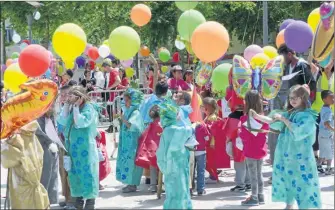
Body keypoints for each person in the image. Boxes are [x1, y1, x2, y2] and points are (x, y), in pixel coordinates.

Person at [250, 85, 321, 209]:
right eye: (291, 98)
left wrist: (283, 119)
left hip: (301, 158)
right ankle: (289, 205)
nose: (293, 100)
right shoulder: (289, 113)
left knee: (303, 182)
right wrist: (257, 116)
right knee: (288, 179)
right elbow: (272, 121)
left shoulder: (307, 116)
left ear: (303, 98)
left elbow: (299, 131)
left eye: (296, 98)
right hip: (287, 155)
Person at [267, 44, 317, 182]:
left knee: (297, 143)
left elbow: (312, 84)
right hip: (289, 108)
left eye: (283, 56)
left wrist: (303, 89)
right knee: (285, 142)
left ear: (289, 54)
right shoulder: (287, 67)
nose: (282, 60)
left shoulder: (302, 65)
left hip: (300, 112)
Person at [57, 86, 99, 209]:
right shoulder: (70, 108)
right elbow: (62, 121)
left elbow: (80, 123)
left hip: (85, 148)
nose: (69, 98)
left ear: (80, 97)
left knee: (88, 174)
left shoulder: (88, 108)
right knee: (74, 174)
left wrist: (76, 107)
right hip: (72, 149)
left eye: (71, 96)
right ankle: (78, 200)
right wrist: (66, 106)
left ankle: (90, 201)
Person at [1, 121, 50, 209]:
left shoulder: (16, 138)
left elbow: (7, 161)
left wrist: (5, 145)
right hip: (34, 180)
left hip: (21, 183)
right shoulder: (33, 136)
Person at [157, 99, 193, 209]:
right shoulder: (177, 130)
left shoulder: (166, 130)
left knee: (171, 190)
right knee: (181, 188)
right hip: (179, 164)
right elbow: (189, 130)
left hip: (169, 166)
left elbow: (160, 152)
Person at [239, 90, 269, 206]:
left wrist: (240, 132)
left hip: (250, 151)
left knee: (252, 175)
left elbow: (245, 137)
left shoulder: (245, 119)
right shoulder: (263, 118)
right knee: (259, 173)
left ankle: (254, 197)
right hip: (260, 150)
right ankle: (260, 195)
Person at [116, 88, 145, 193]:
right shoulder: (129, 111)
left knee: (132, 162)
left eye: (127, 100)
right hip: (127, 142)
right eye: (124, 100)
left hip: (133, 143)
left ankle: (133, 184)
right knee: (127, 161)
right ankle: (129, 182)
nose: (125, 102)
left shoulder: (135, 113)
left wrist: (123, 119)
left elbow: (132, 126)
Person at [36, 105, 61, 205]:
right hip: (42, 146)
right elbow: (37, 130)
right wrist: (49, 142)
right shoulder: (37, 114)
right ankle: (43, 201)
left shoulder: (51, 114)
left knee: (54, 175)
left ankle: (52, 200)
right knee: (44, 176)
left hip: (53, 146)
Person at [202, 97, 231, 183]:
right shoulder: (210, 116)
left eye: (203, 107)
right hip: (211, 142)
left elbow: (212, 131)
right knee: (209, 160)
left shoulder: (212, 118)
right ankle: (213, 175)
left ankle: (213, 177)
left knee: (210, 160)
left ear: (208, 107)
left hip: (211, 143)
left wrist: (211, 142)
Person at [135, 105, 163, 192]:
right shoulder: (163, 125)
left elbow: (144, 136)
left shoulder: (150, 125)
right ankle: (162, 185)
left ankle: (153, 185)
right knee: (162, 168)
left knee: (152, 167)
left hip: (151, 151)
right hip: (161, 149)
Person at [317, 90, 334, 175]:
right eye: (331, 98)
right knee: (330, 151)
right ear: (324, 99)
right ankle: (328, 168)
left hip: (321, 133)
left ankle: (318, 166)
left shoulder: (324, 108)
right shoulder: (328, 111)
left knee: (323, 151)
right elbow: (326, 123)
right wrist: (333, 129)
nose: (333, 99)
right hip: (327, 135)